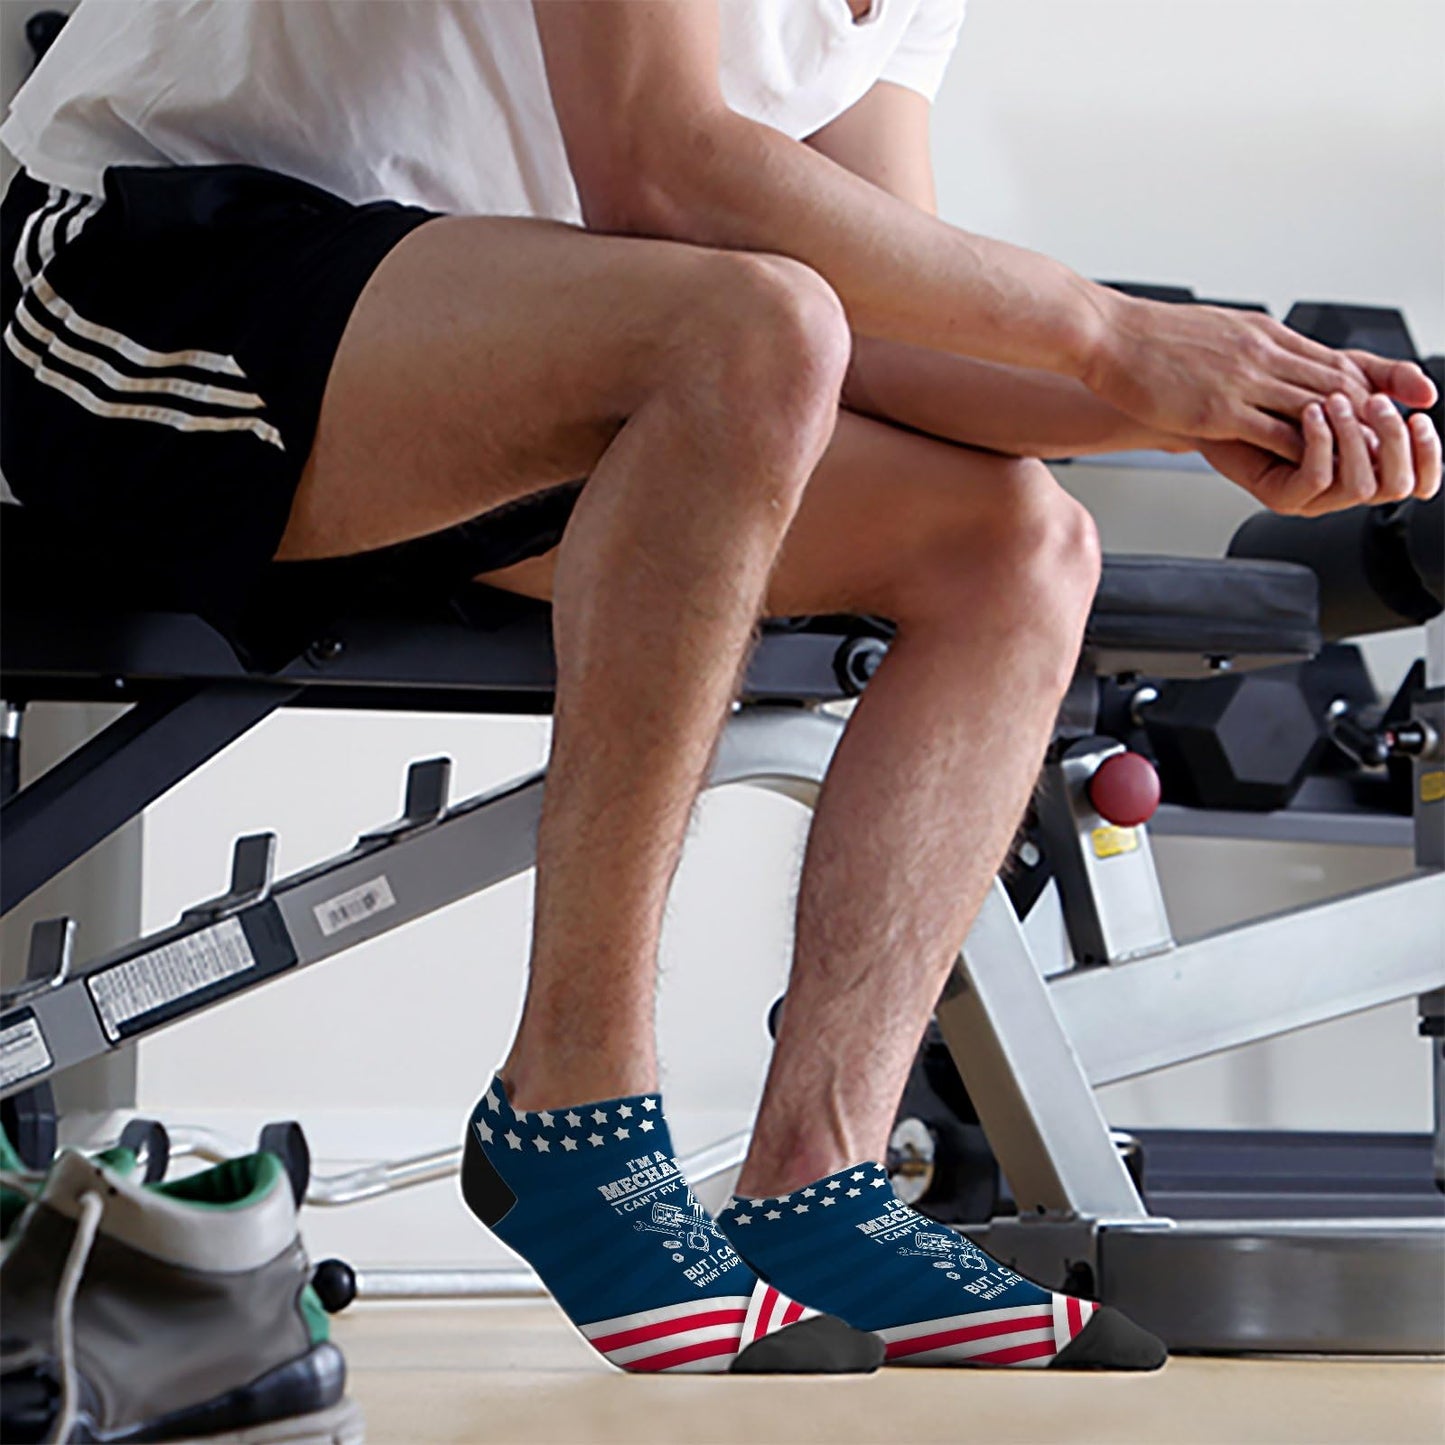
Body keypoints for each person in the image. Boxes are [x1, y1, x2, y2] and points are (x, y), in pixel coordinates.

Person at [2, 0, 1438, 1383]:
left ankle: (821, 1177)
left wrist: (1206, 407)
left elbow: (890, 317)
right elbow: (662, 159)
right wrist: (1111, 336)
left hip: (498, 369)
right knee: (748, 326)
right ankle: (573, 1097)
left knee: (1020, 543)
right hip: (139, 288)